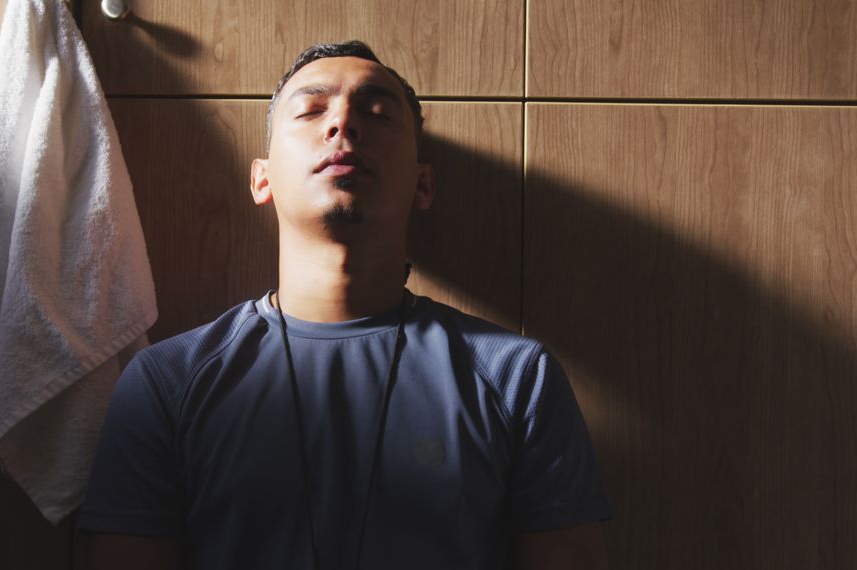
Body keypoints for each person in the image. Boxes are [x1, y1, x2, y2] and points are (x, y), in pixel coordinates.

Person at [77, 41, 612, 570]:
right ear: (261, 178)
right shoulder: (166, 382)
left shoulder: (517, 377)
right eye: (312, 109)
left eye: (376, 113)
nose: (343, 126)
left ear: (422, 184)